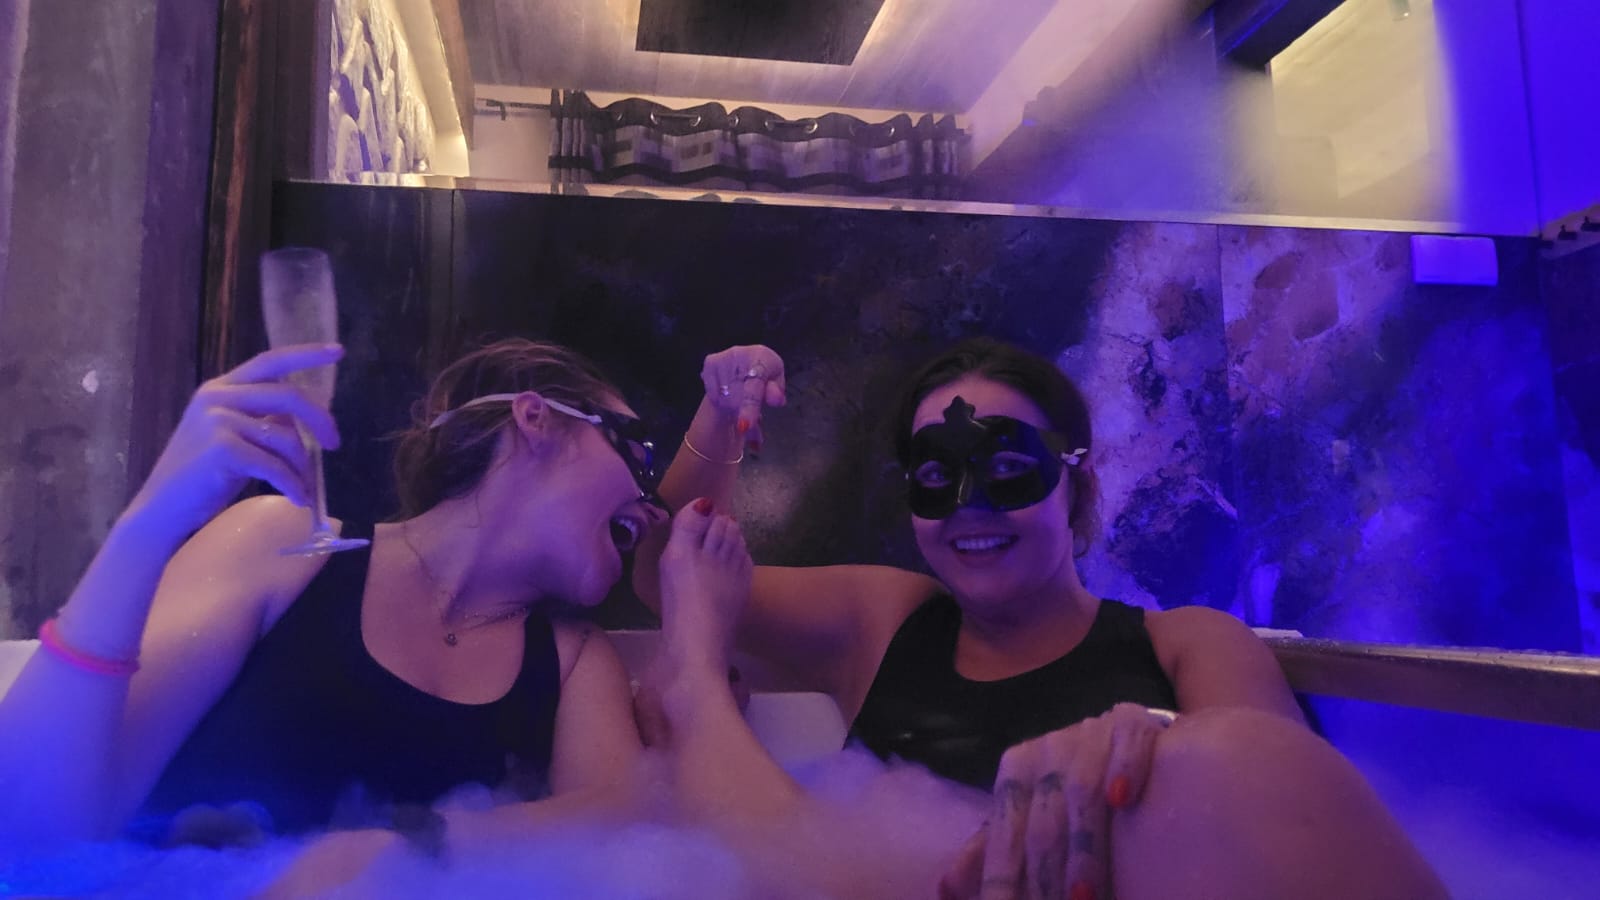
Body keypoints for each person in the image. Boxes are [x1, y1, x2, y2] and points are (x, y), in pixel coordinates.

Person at [637, 336, 1449, 900]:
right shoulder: (882, 618)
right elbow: (664, 572)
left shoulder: (1188, 644)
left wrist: (1160, 738)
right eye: (936, 477)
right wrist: (721, 411)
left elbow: (1282, 826)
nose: (970, 508)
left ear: (1077, 483)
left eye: (1007, 466)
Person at [0, 337, 769, 854]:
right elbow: (33, 829)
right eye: (635, 454)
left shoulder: (571, 661)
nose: (653, 507)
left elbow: (621, 833)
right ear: (536, 418)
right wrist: (147, 525)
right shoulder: (283, 546)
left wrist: (388, 850)